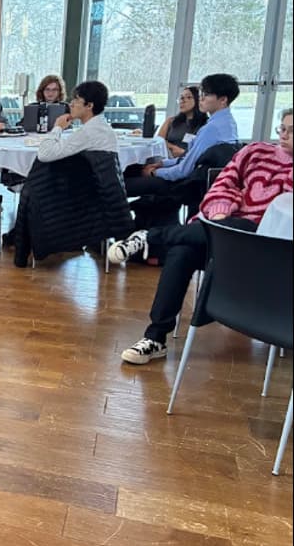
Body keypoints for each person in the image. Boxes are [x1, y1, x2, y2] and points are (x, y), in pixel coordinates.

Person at [109, 108, 293, 364]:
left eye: (291, 131)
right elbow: (224, 182)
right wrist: (220, 207)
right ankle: (155, 337)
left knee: (241, 228)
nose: (283, 135)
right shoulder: (256, 151)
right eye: (281, 128)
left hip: (264, 246)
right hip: (219, 231)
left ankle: (150, 237)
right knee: (181, 252)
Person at [124, 73, 239, 198]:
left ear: (223, 100)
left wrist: (154, 173)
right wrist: (164, 164)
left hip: (185, 185)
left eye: (206, 95)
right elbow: (189, 159)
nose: (201, 99)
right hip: (200, 181)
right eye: (201, 94)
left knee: (123, 180)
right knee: (134, 171)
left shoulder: (211, 129)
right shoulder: (229, 123)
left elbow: (184, 170)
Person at [36, 80, 118, 162]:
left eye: (76, 100)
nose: (71, 104)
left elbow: (44, 154)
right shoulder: (100, 126)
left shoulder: (88, 132)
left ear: (89, 105)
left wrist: (58, 127)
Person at [156, 85, 208, 158]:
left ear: (198, 100)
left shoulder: (206, 124)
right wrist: (172, 147)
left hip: (189, 160)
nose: (182, 101)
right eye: (181, 98)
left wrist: (184, 153)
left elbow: (203, 150)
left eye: (188, 97)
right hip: (167, 157)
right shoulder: (171, 121)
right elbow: (158, 141)